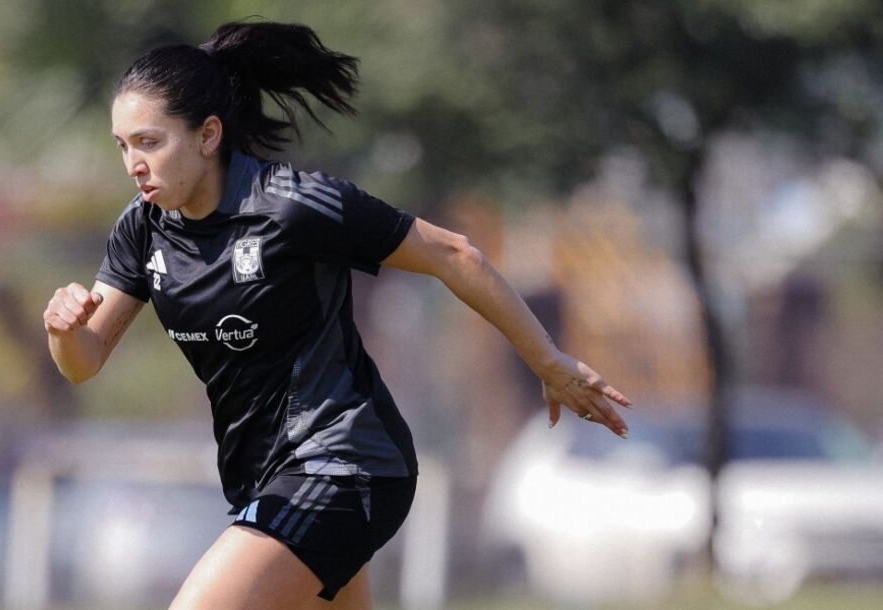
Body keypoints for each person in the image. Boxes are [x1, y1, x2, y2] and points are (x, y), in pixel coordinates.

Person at [43, 21, 632, 610]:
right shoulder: (142, 229)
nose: (132, 164)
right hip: (268, 477)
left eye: (149, 142)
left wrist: (547, 362)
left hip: (349, 463)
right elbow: (84, 360)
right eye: (123, 146)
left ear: (208, 135)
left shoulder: (291, 206)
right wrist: (62, 331)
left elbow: (454, 254)